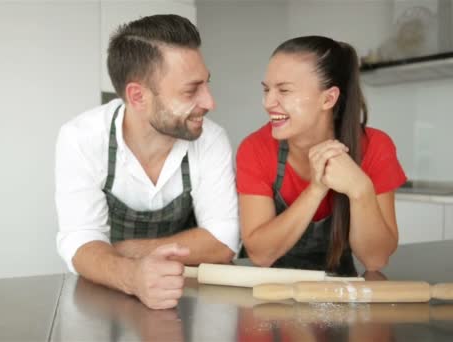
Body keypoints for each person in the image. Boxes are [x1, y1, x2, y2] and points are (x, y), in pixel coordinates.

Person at [55, 14, 239, 310]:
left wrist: (124, 251)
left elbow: (223, 241)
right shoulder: (81, 138)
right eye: (191, 90)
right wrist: (133, 277)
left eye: (207, 84)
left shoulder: (211, 139)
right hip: (108, 299)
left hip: (187, 298)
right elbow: (80, 240)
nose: (209, 102)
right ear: (138, 96)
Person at [236, 36, 406, 275]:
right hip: (265, 290)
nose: (267, 102)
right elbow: (260, 254)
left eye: (284, 90)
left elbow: (375, 260)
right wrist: (315, 189)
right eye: (266, 89)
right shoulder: (255, 148)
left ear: (328, 98)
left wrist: (360, 190)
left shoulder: (376, 147)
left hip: (337, 290)